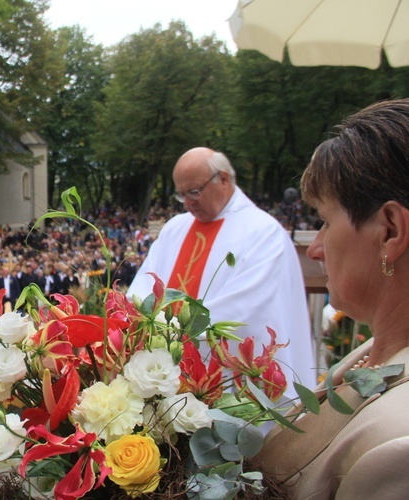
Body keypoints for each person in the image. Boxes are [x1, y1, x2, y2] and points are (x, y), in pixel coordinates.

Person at [255, 99, 409, 497]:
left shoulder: (399, 448)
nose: (316, 247)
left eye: (324, 220)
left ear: (390, 231)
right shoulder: (372, 353)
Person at [127, 147, 315, 394]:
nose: (189, 203)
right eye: (181, 195)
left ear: (224, 179)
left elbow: (246, 315)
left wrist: (171, 336)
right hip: (166, 376)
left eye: (194, 192)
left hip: (229, 387)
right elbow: (141, 291)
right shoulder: (175, 229)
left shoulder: (263, 233)